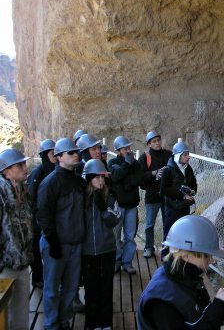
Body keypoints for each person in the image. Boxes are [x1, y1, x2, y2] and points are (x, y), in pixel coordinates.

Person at [137, 215, 224, 329]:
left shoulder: (184, 277)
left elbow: (197, 316)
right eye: (206, 256)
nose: (211, 261)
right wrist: (218, 308)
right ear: (186, 256)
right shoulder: (161, 302)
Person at [37, 138, 86, 330]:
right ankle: (51, 324)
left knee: (72, 287)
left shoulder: (79, 182)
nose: (76, 155)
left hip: (76, 243)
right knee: (51, 289)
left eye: (77, 152)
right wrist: (52, 241)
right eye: (71, 153)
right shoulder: (50, 183)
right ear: (58, 157)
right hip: (55, 244)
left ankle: (64, 321)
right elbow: (44, 215)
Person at [82, 159, 121, 330]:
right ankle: (91, 323)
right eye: (97, 177)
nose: (101, 181)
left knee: (106, 287)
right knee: (91, 288)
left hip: (107, 249)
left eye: (103, 177)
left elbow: (114, 220)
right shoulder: (82, 198)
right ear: (89, 179)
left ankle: (105, 323)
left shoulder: (110, 196)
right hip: (88, 250)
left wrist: (103, 207)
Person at [0, 148, 33, 330]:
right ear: (6, 169)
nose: (25, 167)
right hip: (4, 266)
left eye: (24, 163)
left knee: (20, 317)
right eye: (19, 164)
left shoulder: (22, 189)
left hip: (22, 262)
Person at [108, 135, 142, 274]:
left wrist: (125, 180)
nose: (128, 150)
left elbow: (138, 179)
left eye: (129, 147)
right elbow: (115, 177)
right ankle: (116, 260)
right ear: (118, 150)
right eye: (125, 148)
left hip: (132, 205)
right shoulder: (112, 162)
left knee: (130, 236)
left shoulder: (136, 163)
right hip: (118, 205)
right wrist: (127, 164)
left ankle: (127, 262)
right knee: (115, 236)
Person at [27, 138, 57, 289]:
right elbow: (31, 197)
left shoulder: (55, 170)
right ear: (45, 155)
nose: (55, 157)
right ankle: (38, 277)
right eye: (53, 154)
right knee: (36, 248)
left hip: (51, 217)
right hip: (37, 217)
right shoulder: (37, 173)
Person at [160, 141, 197, 258]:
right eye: (185, 155)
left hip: (184, 207)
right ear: (178, 156)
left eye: (188, 154)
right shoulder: (168, 170)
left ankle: (179, 257)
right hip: (172, 207)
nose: (188, 157)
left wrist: (192, 192)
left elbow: (194, 184)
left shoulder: (188, 168)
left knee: (183, 233)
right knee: (169, 232)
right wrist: (182, 195)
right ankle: (165, 257)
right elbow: (164, 189)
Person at [138, 131, 172, 258]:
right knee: (149, 224)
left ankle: (166, 250)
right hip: (152, 196)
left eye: (158, 140)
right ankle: (149, 247)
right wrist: (154, 173)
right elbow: (140, 177)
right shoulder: (144, 158)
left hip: (167, 195)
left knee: (167, 224)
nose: (157, 143)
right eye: (154, 141)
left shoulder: (169, 155)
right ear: (149, 144)